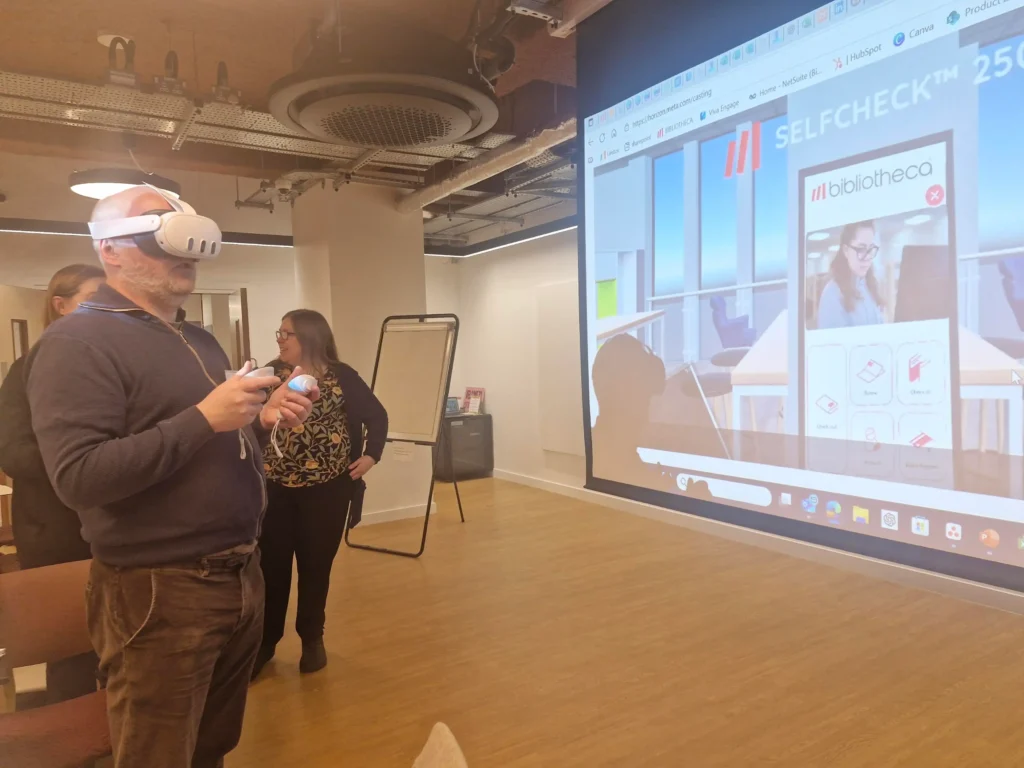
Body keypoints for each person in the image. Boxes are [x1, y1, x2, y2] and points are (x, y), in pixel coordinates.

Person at [26, 186, 318, 768]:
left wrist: (256, 421)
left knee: (212, 745)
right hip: (158, 589)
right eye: (155, 221)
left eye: (180, 219)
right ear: (109, 248)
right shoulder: (75, 341)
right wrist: (205, 418)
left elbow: (210, 443)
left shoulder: (199, 338)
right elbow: (79, 477)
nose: (179, 237)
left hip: (242, 573)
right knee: (157, 756)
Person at [252, 309, 387, 679]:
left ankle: (312, 639)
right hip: (275, 490)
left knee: (315, 566)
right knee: (272, 568)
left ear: (310, 337)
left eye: (287, 333)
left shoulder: (342, 377)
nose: (279, 338)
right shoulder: (269, 375)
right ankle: (266, 642)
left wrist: (371, 455)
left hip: (327, 492)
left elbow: (377, 416)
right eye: (278, 331)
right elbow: (248, 423)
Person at [0, 264, 104, 703]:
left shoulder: (106, 363)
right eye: (94, 298)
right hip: (54, 529)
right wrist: (84, 458)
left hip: (111, 525)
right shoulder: (25, 371)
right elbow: (13, 452)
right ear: (61, 306)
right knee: (71, 649)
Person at [817, 220, 886, 329]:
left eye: (871, 249)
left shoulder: (870, 286)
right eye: (861, 249)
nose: (867, 257)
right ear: (846, 250)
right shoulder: (832, 294)